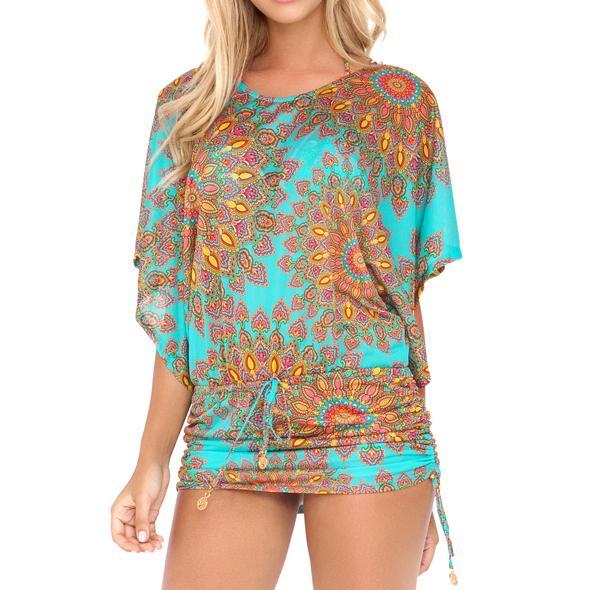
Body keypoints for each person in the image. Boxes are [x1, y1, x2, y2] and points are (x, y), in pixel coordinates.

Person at [110, 1, 463, 588]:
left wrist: (416, 473)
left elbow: (401, 295)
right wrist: (151, 461)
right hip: (231, 423)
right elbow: (178, 306)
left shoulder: (398, 101)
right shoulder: (190, 107)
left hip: (369, 422)